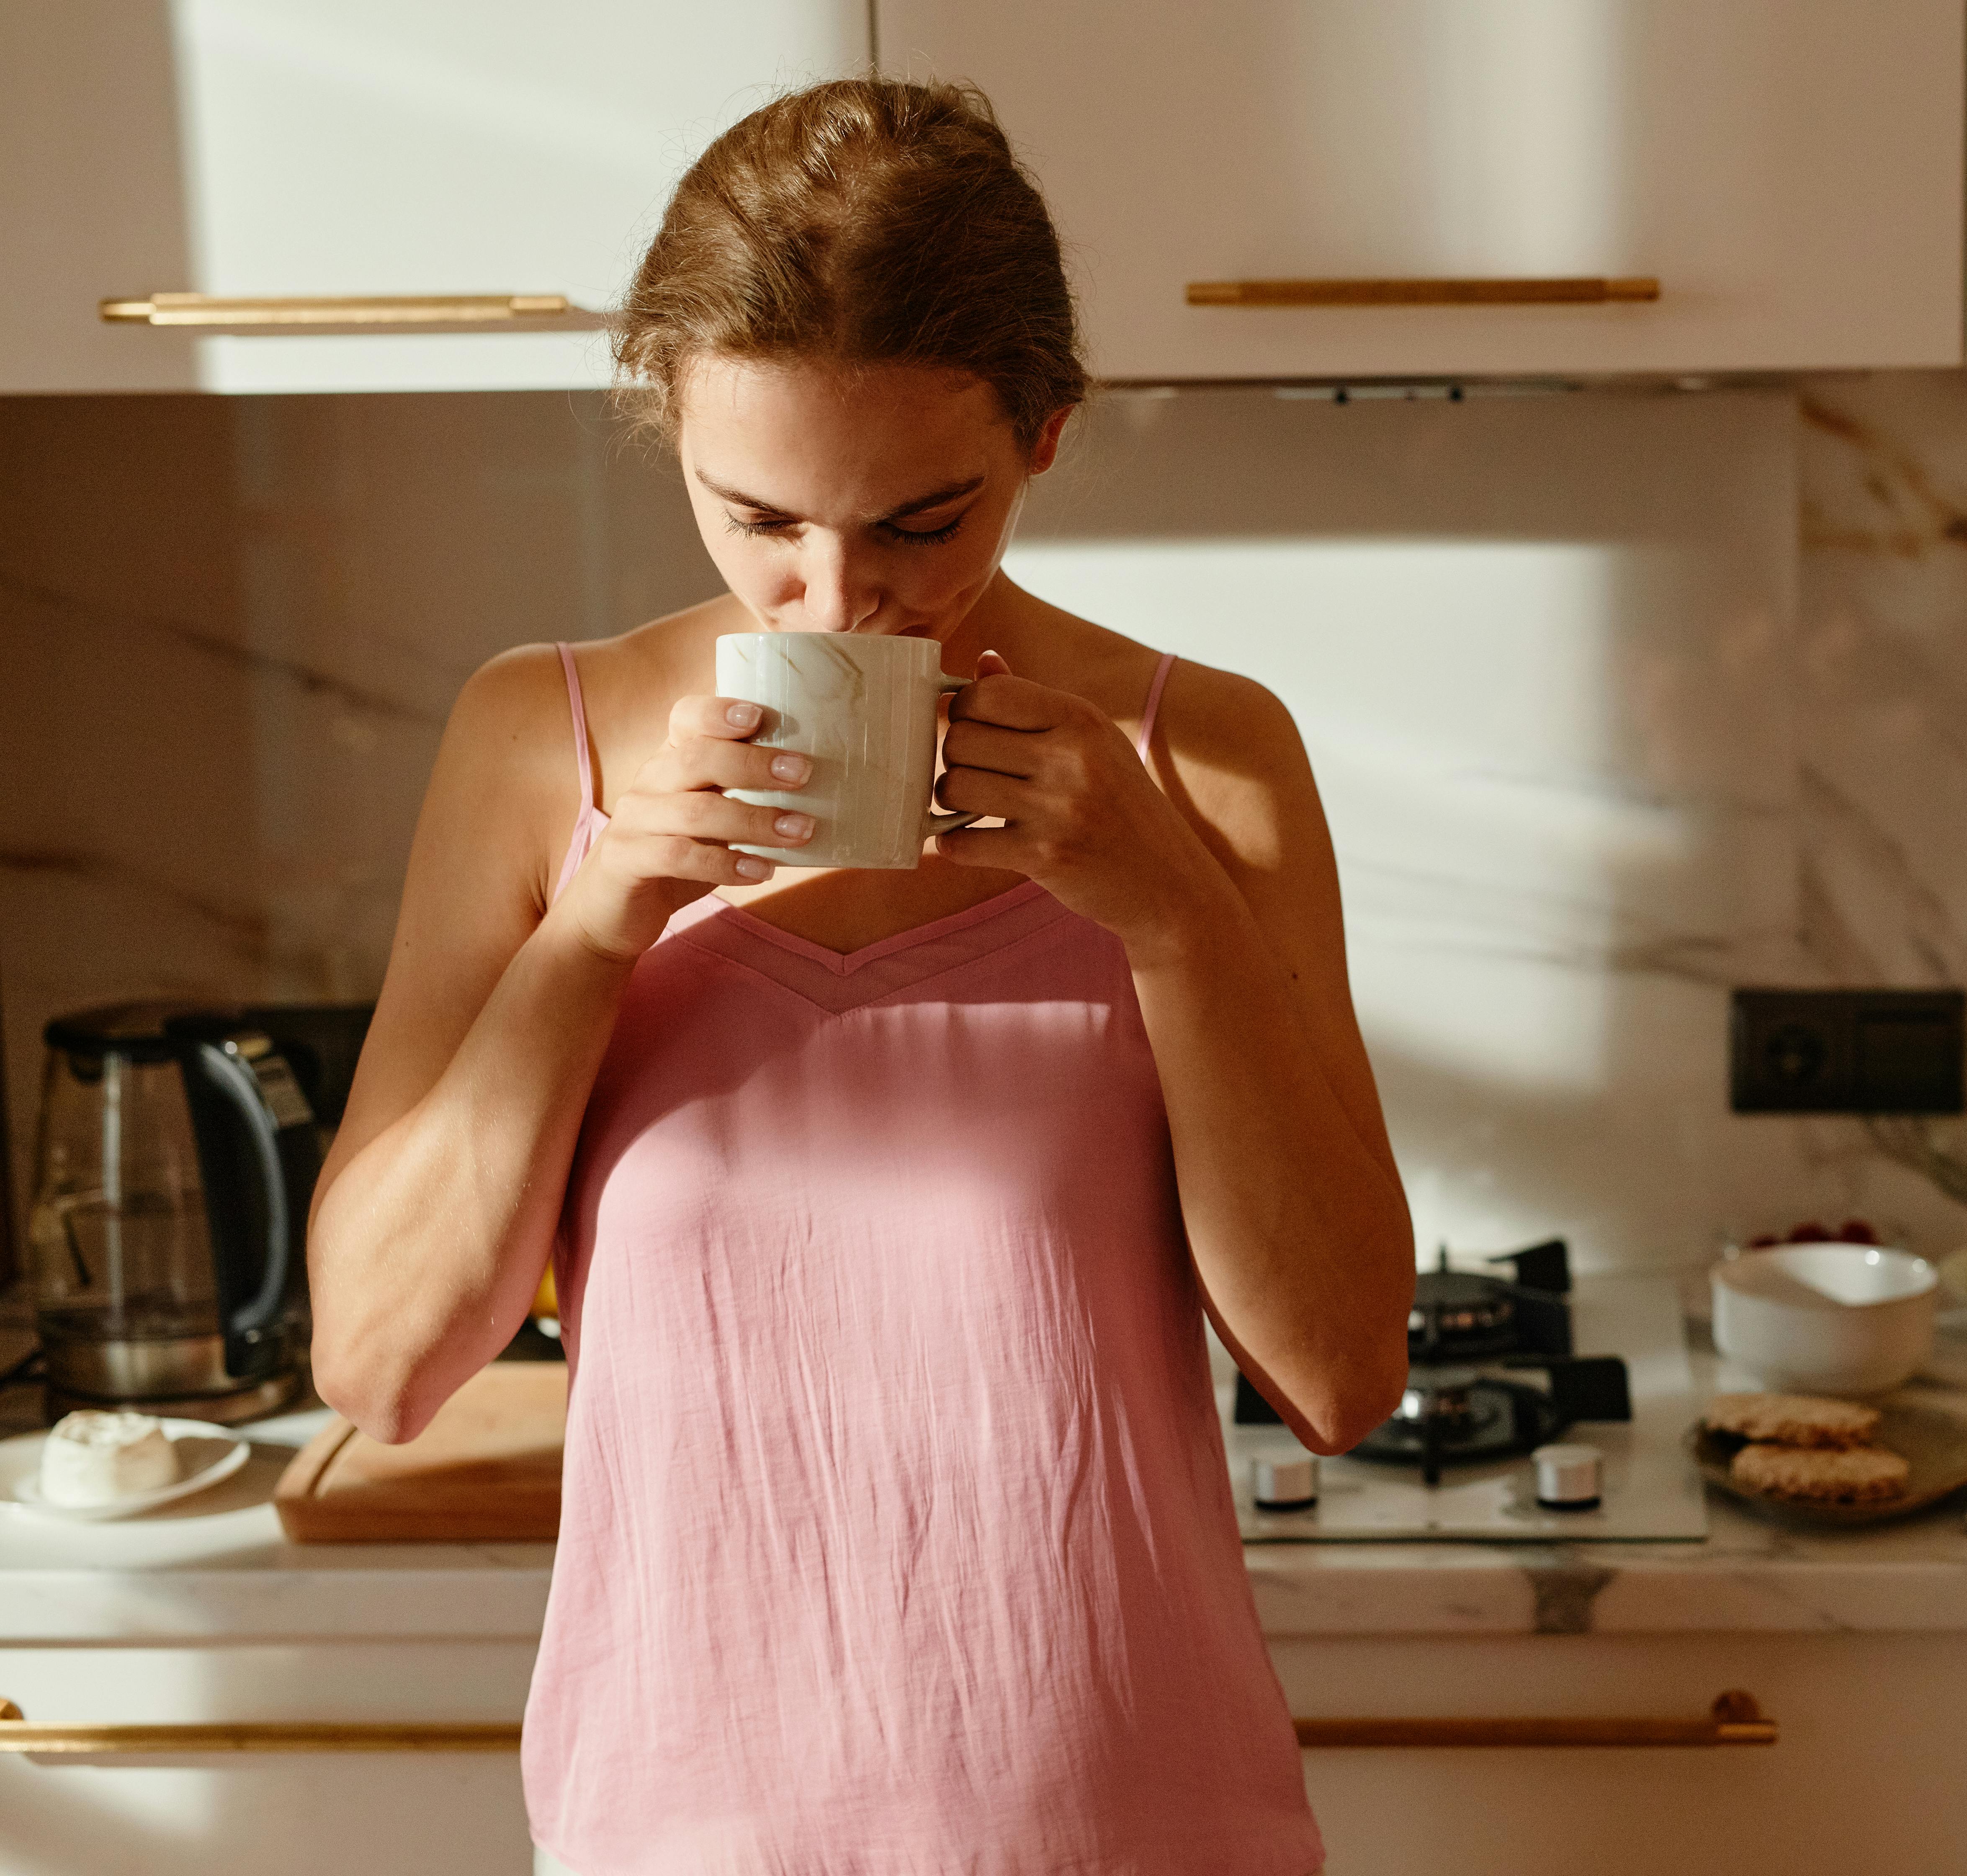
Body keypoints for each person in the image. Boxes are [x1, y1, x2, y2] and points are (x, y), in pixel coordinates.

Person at [305, 77, 1412, 1876]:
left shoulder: (1203, 764)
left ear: (1047, 435)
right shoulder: (542, 747)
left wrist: (1171, 915)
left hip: (1126, 1827)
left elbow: (1347, 1372)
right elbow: (378, 1363)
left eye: (921, 521)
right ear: (665, 424)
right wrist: (606, 917)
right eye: (758, 520)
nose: (835, 604)